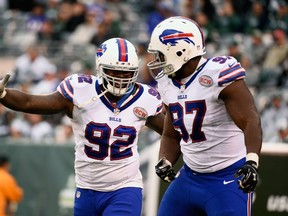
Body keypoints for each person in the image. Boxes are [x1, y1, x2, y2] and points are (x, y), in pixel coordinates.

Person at [0, 37, 164, 216]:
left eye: (127, 72)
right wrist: (4, 94)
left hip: (124, 187)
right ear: (100, 67)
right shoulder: (81, 89)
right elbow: (31, 102)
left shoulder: (146, 97)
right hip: (86, 188)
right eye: (114, 71)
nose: (121, 78)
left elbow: (171, 132)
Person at [147, 16, 262, 216]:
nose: (156, 60)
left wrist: (251, 161)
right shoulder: (166, 83)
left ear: (179, 50)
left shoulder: (218, 72)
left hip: (226, 178)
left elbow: (250, 119)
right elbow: (171, 134)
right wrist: (165, 160)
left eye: (160, 54)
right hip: (189, 177)